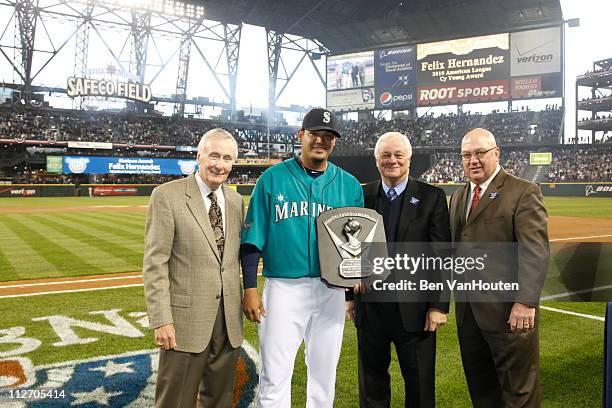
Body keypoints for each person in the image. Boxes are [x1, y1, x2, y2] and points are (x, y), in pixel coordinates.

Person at [241, 108, 364, 408]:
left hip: (331, 290)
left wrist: (351, 295)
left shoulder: (349, 185)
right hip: (284, 288)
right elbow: (252, 240)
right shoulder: (271, 179)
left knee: (324, 375)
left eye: (328, 136)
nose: (321, 141)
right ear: (301, 136)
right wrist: (250, 289)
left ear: (334, 142)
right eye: (315, 134)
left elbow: (356, 247)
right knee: (274, 375)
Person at [346, 132, 451, 408]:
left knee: (419, 385)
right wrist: (349, 295)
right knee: (372, 384)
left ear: (409, 159)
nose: (391, 160)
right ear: (376, 160)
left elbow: (441, 256)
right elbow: (349, 246)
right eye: (385, 155)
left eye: (397, 155)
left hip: (415, 309)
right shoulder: (361, 194)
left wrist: (439, 305)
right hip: (371, 308)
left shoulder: (432, 197)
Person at [143, 128, 243, 408]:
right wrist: (161, 319)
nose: (219, 164)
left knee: (219, 400)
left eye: (226, 158)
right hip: (184, 321)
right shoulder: (167, 196)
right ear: (199, 156)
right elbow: (155, 263)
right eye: (213, 155)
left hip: (228, 319)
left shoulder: (235, 202)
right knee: (175, 401)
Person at [449, 128, 549, 408]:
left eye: (480, 153)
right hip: (469, 313)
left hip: (509, 312)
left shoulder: (523, 192)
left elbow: (534, 250)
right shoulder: (459, 196)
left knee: (519, 394)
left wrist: (526, 302)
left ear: (496, 153)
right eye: (466, 155)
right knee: (482, 391)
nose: (473, 160)